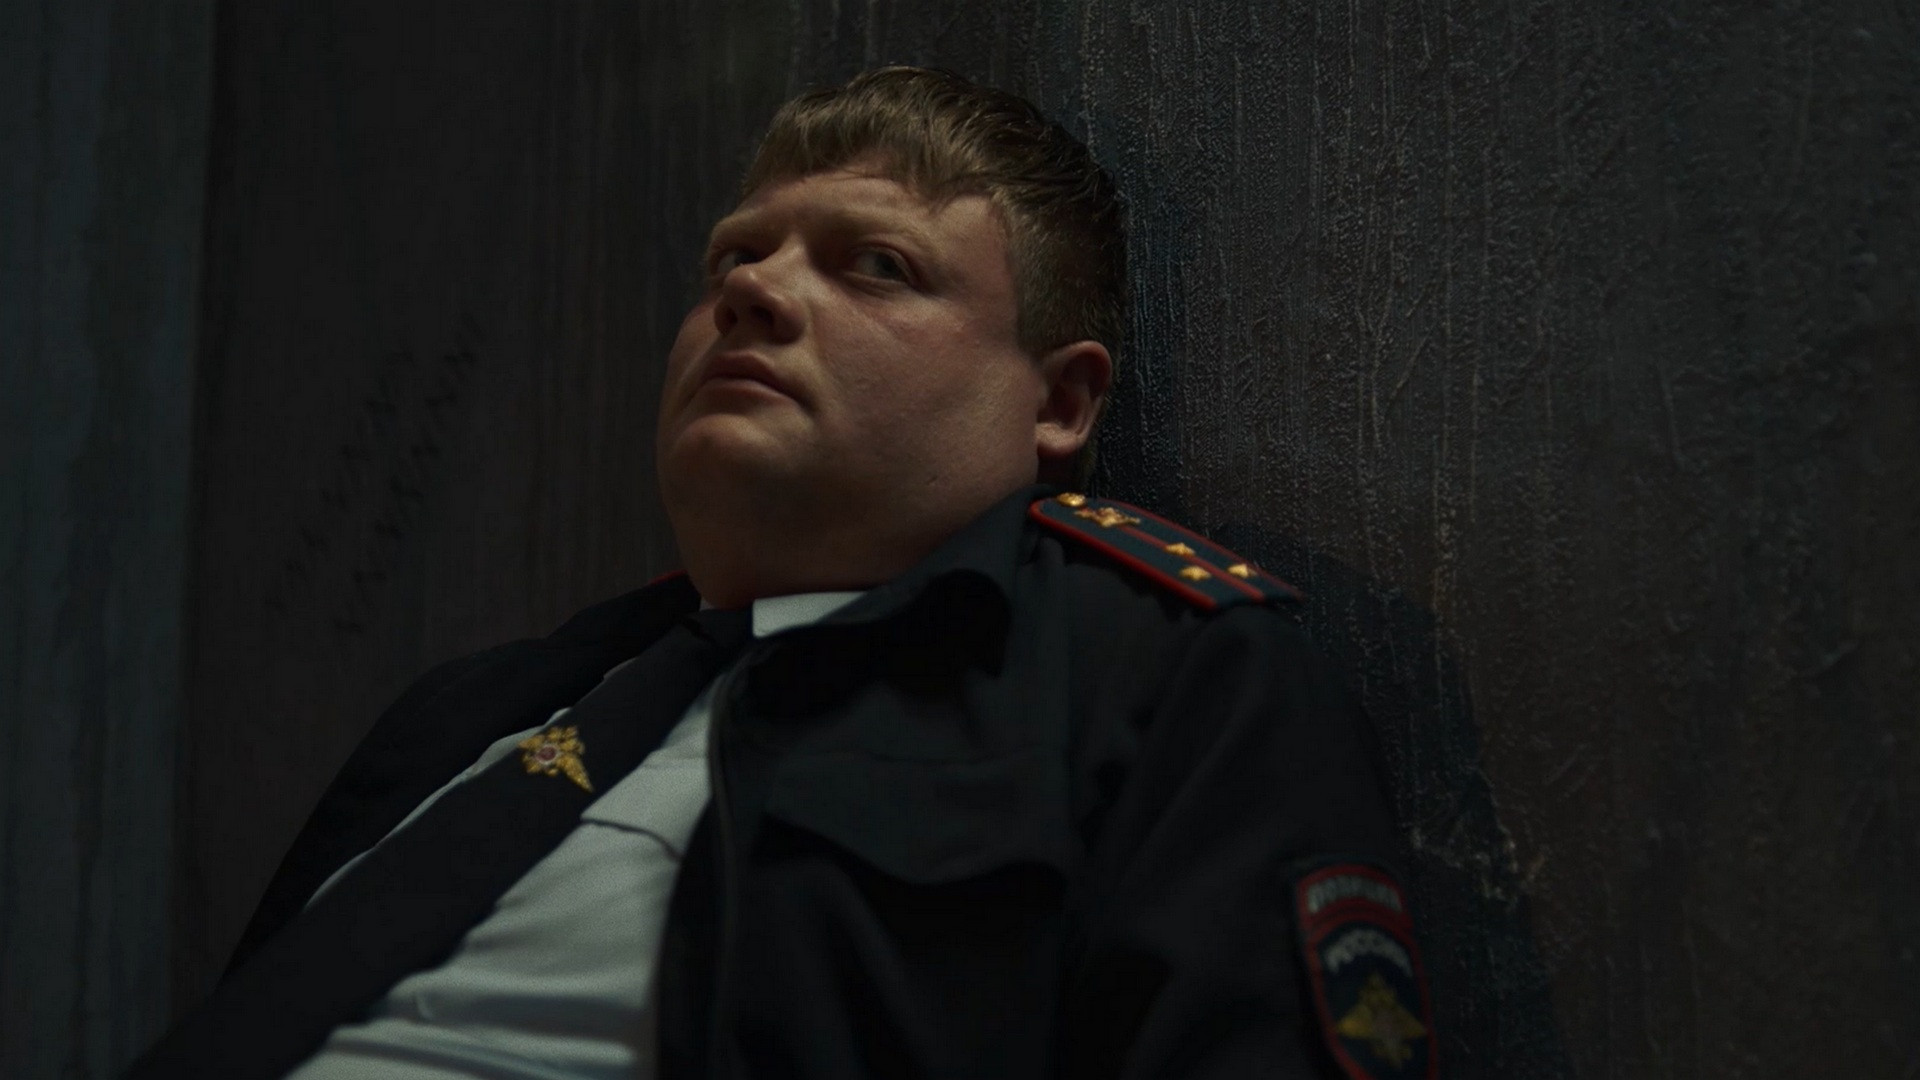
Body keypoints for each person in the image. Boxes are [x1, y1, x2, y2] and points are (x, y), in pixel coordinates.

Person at [129, 66, 1432, 1080]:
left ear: (1057, 404)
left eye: (877, 266)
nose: (753, 293)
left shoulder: (1162, 677)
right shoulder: (476, 715)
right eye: (733, 259)